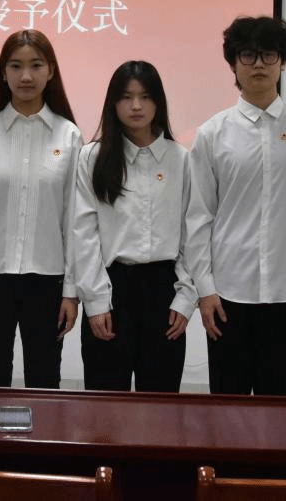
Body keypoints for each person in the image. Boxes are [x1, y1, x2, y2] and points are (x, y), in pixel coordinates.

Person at [186, 16, 286, 395]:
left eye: (269, 55)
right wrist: (204, 288)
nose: (259, 65)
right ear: (234, 64)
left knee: (277, 404)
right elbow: (199, 217)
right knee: (227, 406)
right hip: (227, 292)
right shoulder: (213, 133)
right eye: (248, 56)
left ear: (282, 62)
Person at [0, 30, 83, 388]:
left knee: (45, 382)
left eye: (36, 65)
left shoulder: (69, 136)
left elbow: (73, 221)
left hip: (47, 281)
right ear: (3, 73)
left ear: (51, 71)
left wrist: (71, 291)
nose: (25, 76)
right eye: (15, 66)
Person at [69, 61, 193, 392]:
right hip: (111, 290)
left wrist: (185, 298)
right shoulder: (92, 157)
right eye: (126, 97)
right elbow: (84, 234)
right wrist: (95, 302)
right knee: (106, 407)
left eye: (145, 96)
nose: (136, 106)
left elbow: (191, 235)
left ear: (159, 102)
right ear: (113, 103)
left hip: (164, 292)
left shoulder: (181, 159)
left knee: (160, 406)